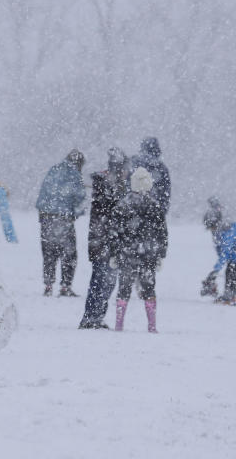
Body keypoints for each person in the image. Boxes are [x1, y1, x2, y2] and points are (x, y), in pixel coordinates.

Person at [79, 147, 130, 329]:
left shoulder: (111, 186)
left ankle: (96, 317)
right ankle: (91, 318)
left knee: (105, 281)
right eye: (124, 168)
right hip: (105, 242)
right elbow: (113, 215)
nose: (127, 172)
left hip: (105, 242)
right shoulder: (108, 187)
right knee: (102, 281)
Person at [113, 167, 165, 333]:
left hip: (126, 253)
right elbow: (162, 233)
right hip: (148, 254)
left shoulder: (123, 204)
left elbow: (115, 231)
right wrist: (160, 254)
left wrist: (115, 252)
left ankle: (119, 324)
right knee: (149, 288)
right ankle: (152, 325)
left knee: (124, 288)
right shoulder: (155, 205)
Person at [35, 149, 87, 297]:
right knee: (69, 254)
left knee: (48, 252)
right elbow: (80, 197)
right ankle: (65, 286)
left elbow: (43, 192)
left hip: (46, 216)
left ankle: (48, 285)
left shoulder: (54, 169)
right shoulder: (75, 175)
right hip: (63, 218)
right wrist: (76, 213)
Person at [201, 197, 236, 306]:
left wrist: (216, 270)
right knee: (230, 270)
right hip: (235, 250)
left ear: (216, 224)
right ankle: (228, 295)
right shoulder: (219, 228)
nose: (210, 230)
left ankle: (230, 297)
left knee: (231, 271)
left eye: (211, 227)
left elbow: (224, 253)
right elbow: (220, 248)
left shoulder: (228, 231)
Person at [130, 137, 171, 257]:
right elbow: (166, 192)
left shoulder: (134, 162)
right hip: (153, 213)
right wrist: (162, 210)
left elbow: (127, 185)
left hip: (133, 211)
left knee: (131, 248)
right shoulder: (161, 167)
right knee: (150, 254)